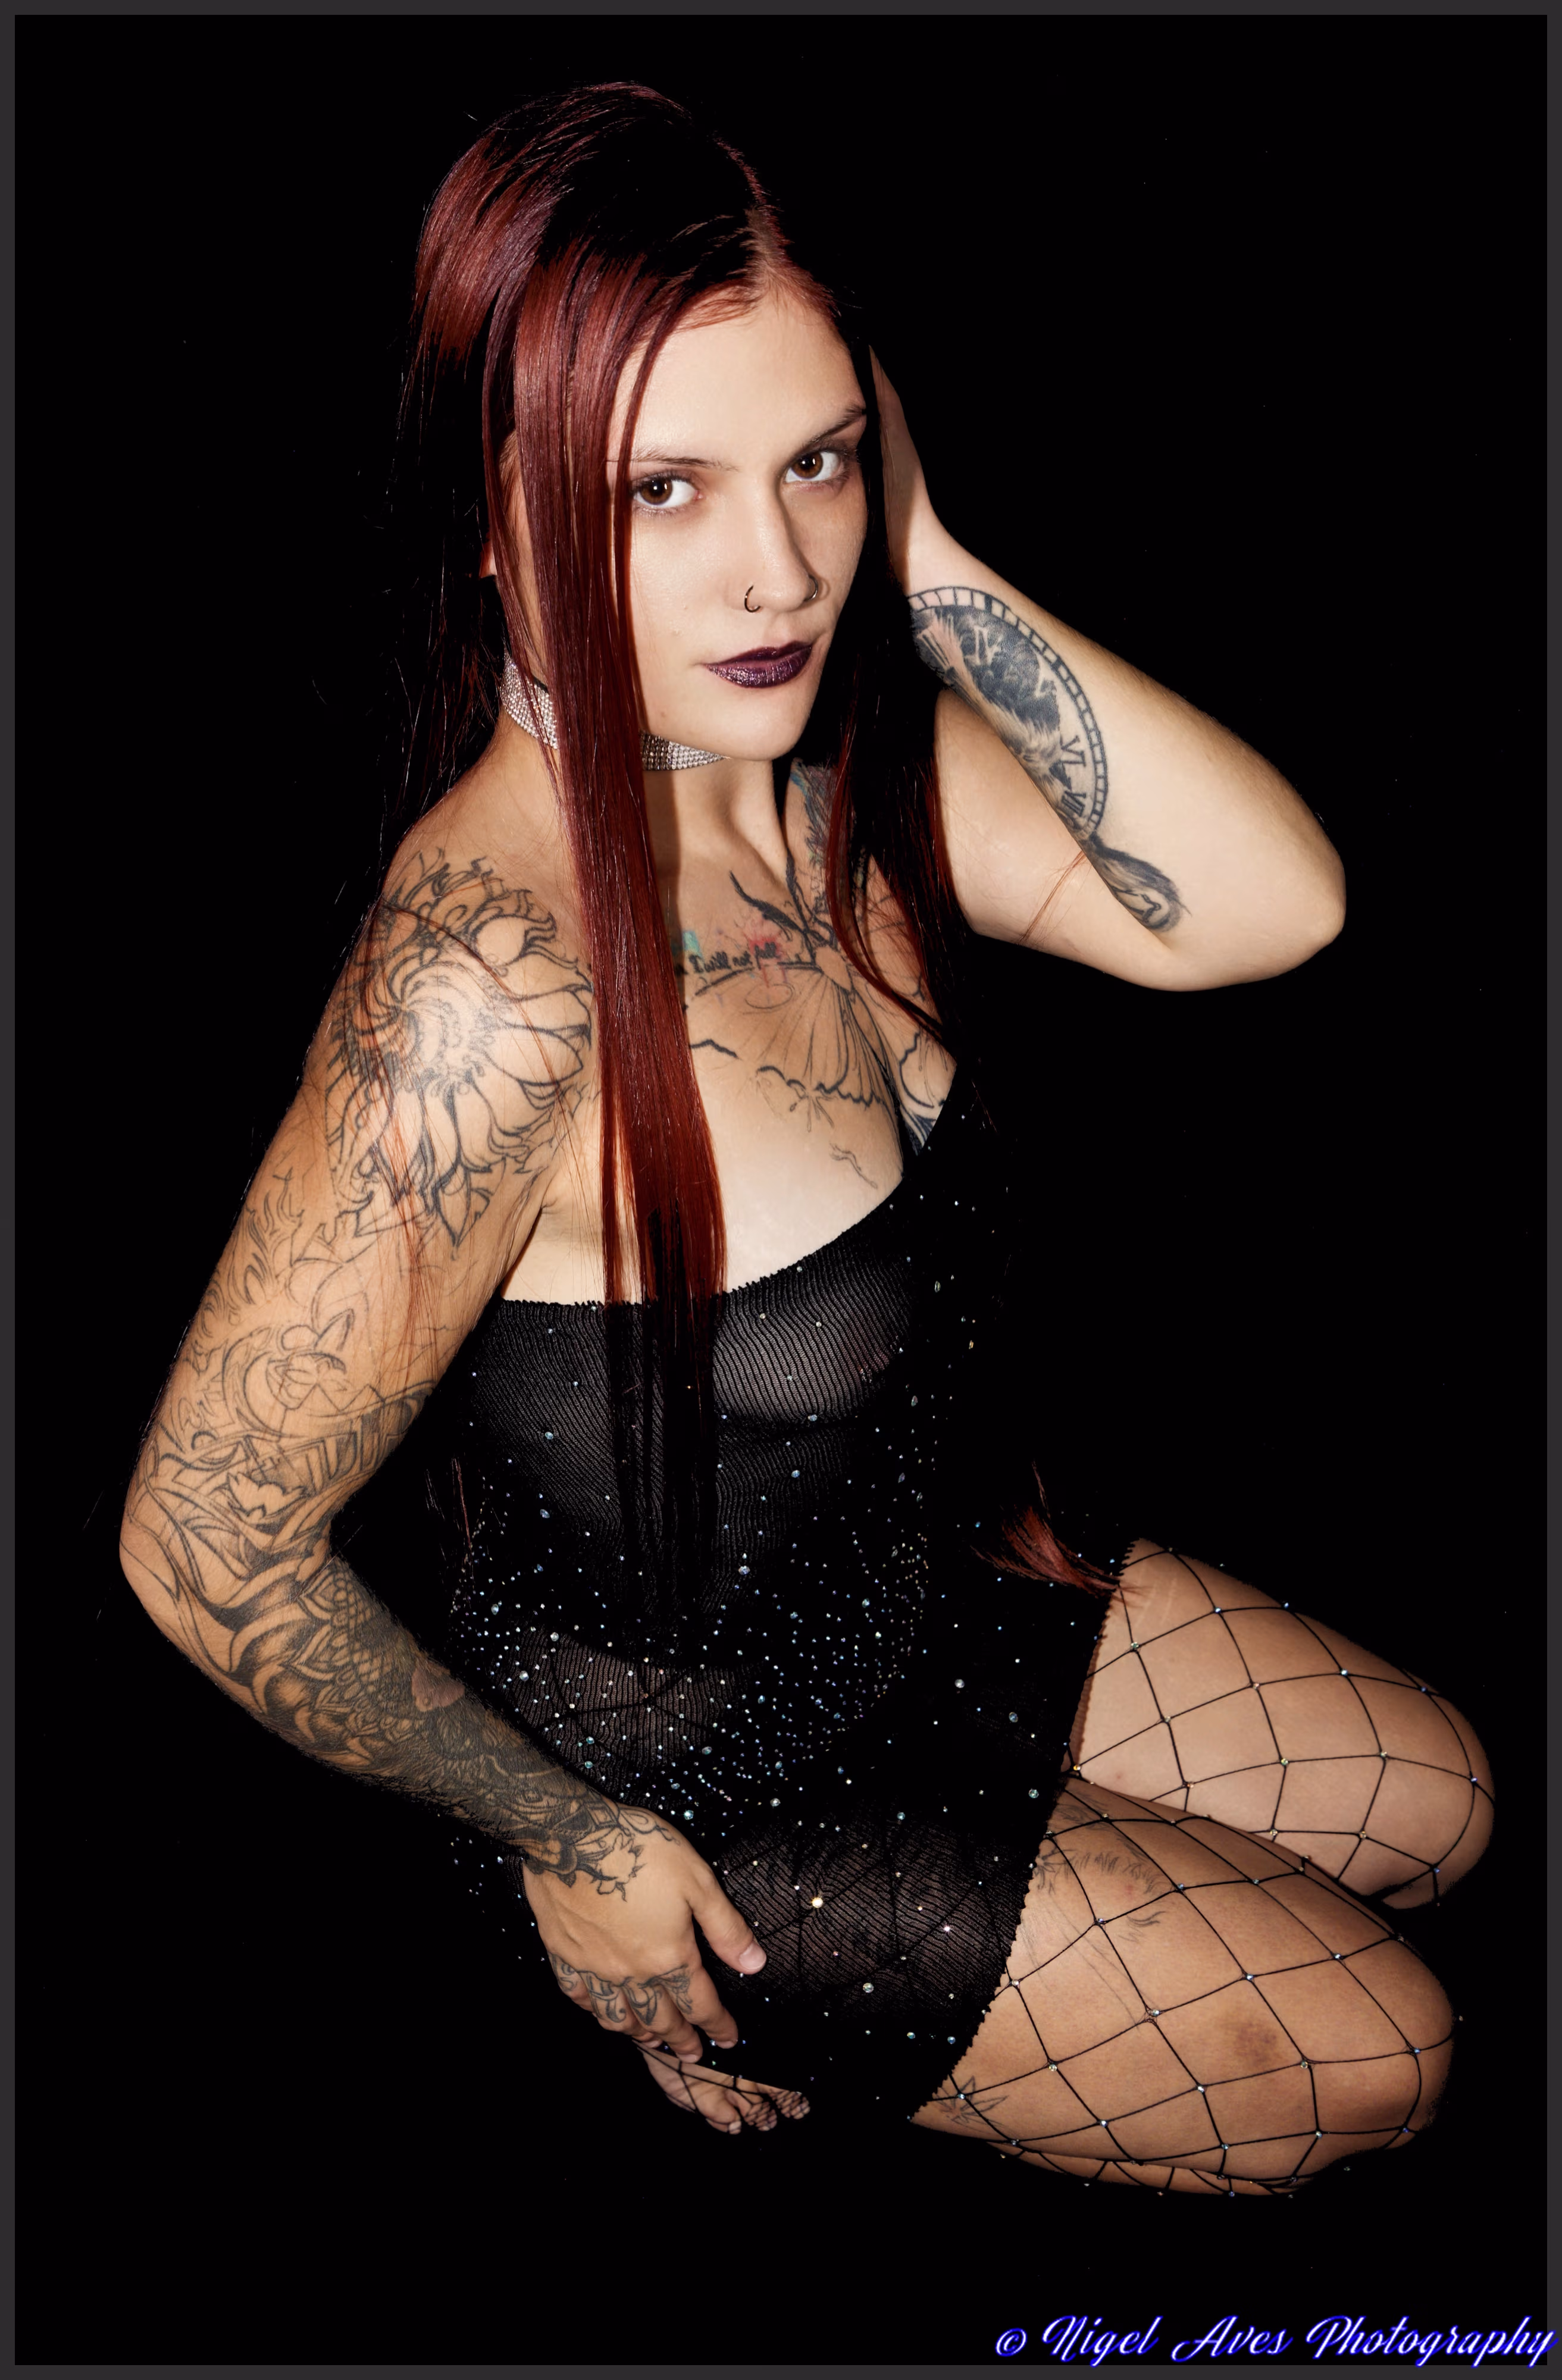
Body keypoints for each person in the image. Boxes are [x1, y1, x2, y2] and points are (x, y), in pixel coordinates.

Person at [118, 83, 1492, 2194]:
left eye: (819, 463)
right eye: (662, 489)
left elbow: (1274, 906)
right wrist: (569, 1847)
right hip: (702, 1789)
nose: (775, 571)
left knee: (1446, 1798)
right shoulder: (493, 985)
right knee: (1389, 2058)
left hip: (907, 1601)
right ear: (493, 516)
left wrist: (933, 562)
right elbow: (202, 1542)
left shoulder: (836, 811)